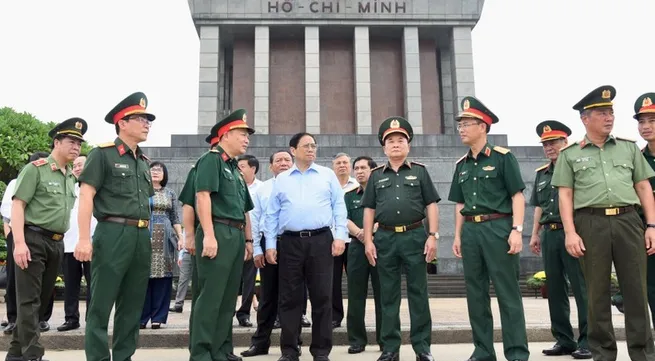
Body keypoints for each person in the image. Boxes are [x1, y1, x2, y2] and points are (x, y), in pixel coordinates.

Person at [552, 85, 655, 361]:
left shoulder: (628, 148)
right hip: (590, 224)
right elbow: (565, 195)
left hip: (628, 221)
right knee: (596, 295)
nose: (609, 117)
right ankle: (603, 354)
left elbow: (643, 187)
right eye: (601, 113)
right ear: (585, 119)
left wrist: (652, 226)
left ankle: (643, 354)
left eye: (611, 112)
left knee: (635, 291)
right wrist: (570, 232)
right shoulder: (570, 154)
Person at [75, 92, 156, 361]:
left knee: (133, 303)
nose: (147, 124)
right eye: (141, 119)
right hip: (112, 233)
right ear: (122, 122)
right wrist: (84, 239)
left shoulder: (144, 163)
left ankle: (124, 356)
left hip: (140, 235)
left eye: (148, 120)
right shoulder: (103, 154)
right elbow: (87, 196)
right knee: (101, 303)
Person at [448, 97, 530, 361]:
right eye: (459, 124)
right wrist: (458, 235)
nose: (461, 128)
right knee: (475, 293)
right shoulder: (461, 165)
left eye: (467, 124)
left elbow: (517, 196)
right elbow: (460, 203)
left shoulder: (503, 158)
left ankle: (516, 352)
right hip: (471, 231)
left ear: (483, 126)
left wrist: (517, 230)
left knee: (507, 293)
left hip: (498, 228)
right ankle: (483, 350)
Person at [6, 118, 87, 361]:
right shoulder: (36, 169)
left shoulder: (70, 178)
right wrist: (19, 243)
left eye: (79, 144)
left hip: (56, 242)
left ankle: (15, 354)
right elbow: (18, 206)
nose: (76, 147)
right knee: (29, 300)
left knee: (41, 302)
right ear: (56, 142)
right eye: (72, 142)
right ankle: (33, 355)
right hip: (33, 239)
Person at [263, 132, 348, 361]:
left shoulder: (327, 175)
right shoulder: (282, 179)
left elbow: (339, 208)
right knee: (290, 298)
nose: (311, 149)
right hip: (290, 242)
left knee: (322, 297)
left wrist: (340, 237)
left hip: (321, 241)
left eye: (314, 146)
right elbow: (271, 214)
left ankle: (321, 351)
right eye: (306, 146)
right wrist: (270, 244)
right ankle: (290, 350)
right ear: (293, 150)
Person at [362, 117, 440, 361]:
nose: (396, 145)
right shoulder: (375, 176)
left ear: (408, 146)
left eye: (400, 140)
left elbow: (431, 205)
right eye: (390, 141)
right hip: (384, 238)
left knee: (418, 293)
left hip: (415, 236)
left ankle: (422, 347)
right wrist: (367, 241)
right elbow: (369, 210)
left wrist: (433, 236)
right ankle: (390, 348)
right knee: (388, 294)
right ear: (384, 148)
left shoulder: (420, 171)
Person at [189, 109, 255, 361]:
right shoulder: (211, 160)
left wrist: (248, 240)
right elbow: (202, 196)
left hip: (236, 235)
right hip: (217, 230)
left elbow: (245, 209)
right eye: (242, 134)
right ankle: (202, 353)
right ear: (225, 135)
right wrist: (208, 235)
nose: (246, 139)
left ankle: (221, 350)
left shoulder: (235, 170)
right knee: (210, 297)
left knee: (228, 298)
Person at [528, 121, 590, 359]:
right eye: (545, 144)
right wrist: (535, 234)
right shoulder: (541, 174)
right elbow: (538, 207)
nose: (549, 148)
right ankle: (564, 340)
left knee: (581, 287)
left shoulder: (577, 168)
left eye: (553, 142)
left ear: (566, 143)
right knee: (554, 288)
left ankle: (587, 340)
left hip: (573, 232)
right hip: (550, 233)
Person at [241, 150, 298, 358]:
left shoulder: (301, 186)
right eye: (278, 160)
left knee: (292, 296)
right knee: (267, 296)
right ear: (271, 166)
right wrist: (256, 248)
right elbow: (255, 220)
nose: (283, 163)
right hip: (267, 243)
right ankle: (260, 343)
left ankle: (293, 343)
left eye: (287, 160)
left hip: (294, 243)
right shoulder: (262, 189)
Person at [1, 152, 54, 336]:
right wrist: (13, 239)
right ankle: (14, 319)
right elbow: (7, 212)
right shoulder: (16, 183)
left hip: (46, 236)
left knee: (45, 280)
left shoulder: (54, 180)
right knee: (15, 280)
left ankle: (41, 319)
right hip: (19, 234)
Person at [345, 155, 382, 354]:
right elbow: (343, 218)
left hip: (380, 247)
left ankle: (385, 339)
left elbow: (385, 215)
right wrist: (360, 233)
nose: (359, 171)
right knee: (355, 295)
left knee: (383, 294)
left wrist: (368, 232)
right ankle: (357, 340)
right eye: (356, 168)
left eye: (363, 168)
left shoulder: (382, 192)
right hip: (357, 248)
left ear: (373, 171)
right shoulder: (349, 195)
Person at [140, 161, 182, 329]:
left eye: (159, 170)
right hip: (144, 233)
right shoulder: (142, 190)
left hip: (165, 238)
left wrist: (181, 237)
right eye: (153, 169)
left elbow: (175, 217)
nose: (156, 172)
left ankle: (158, 317)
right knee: (143, 277)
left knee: (164, 277)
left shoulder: (170, 193)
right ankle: (141, 317)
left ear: (164, 174)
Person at [58, 155, 97, 332]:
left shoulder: (99, 189)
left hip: (92, 244)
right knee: (71, 285)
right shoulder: (67, 188)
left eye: (81, 164)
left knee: (93, 284)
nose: (77, 167)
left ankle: (93, 318)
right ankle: (71, 318)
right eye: (74, 165)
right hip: (68, 245)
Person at [330, 152, 358, 329]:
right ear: (333, 166)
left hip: (354, 240)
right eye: (338, 162)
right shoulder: (328, 185)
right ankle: (334, 316)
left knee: (355, 280)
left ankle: (355, 318)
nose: (342, 165)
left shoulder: (358, 186)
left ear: (350, 166)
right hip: (332, 240)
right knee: (332, 281)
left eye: (345, 162)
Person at [235, 154, 262, 327]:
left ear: (253, 168)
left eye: (242, 166)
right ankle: (227, 311)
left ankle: (244, 313)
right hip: (234, 237)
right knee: (231, 278)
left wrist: (253, 241)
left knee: (250, 280)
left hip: (254, 240)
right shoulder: (233, 185)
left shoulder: (263, 188)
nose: (239, 169)